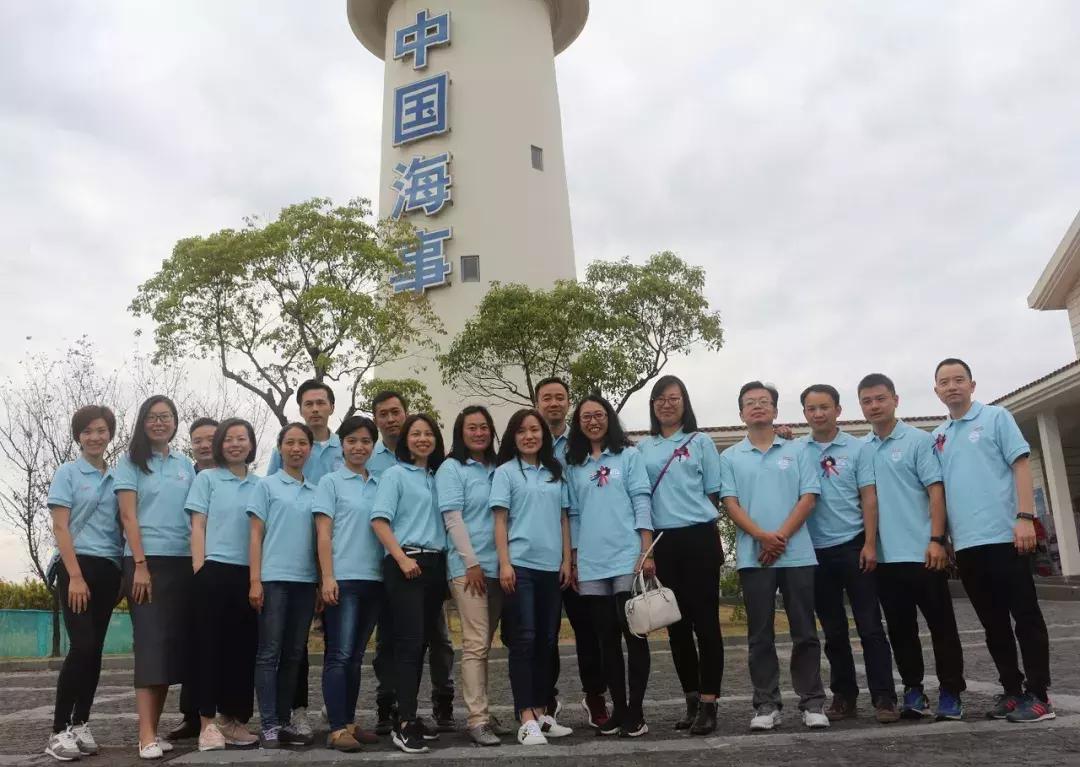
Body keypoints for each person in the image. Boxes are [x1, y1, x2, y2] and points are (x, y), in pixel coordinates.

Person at [931, 359, 1053, 723]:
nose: (952, 386)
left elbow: (1020, 464)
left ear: (971, 384)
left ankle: (1040, 694)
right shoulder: (939, 436)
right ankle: (1012, 691)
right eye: (944, 382)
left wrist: (1025, 517)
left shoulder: (996, 417)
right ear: (936, 390)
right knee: (993, 624)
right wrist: (947, 538)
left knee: (1025, 617)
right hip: (968, 545)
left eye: (958, 380)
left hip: (1007, 536)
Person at [720, 381, 828, 731]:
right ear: (741, 413)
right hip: (755, 557)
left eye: (764, 402)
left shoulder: (797, 451)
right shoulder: (730, 457)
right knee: (760, 634)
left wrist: (778, 537)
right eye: (749, 402)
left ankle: (812, 702)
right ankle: (766, 704)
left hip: (796, 554)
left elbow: (809, 497)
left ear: (775, 410)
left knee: (805, 632)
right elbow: (730, 504)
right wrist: (761, 537)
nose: (757, 407)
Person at [858, 373, 966, 720]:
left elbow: (936, 491)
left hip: (924, 554)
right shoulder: (863, 449)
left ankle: (951, 692)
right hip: (886, 559)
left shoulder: (920, 441)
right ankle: (914, 690)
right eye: (867, 401)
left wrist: (937, 540)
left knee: (942, 628)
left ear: (895, 400)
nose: (874, 406)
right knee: (901, 631)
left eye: (880, 398)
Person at [799, 385, 899, 723]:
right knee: (834, 631)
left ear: (838, 410)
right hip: (815, 552)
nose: (818, 414)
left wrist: (871, 543)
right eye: (811, 409)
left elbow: (869, 497)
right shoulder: (798, 450)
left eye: (824, 407)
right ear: (805, 414)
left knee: (870, 626)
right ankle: (844, 696)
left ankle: (884, 697)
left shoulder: (858, 449)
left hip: (855, 546)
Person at [637, 375, 724, 735]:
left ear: (684, 402)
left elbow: (713, 492)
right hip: (663, 543)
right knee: (676, 628)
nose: (666, 404)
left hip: (700, 540)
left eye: (673, 398)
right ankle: (690, 700)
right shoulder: (643, 448)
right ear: (653, 405)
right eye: (659, 399)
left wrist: (691, 516)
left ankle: (709, 703)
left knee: (706, 625)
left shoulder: (701, 442)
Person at [564, 395, 654, 738]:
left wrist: (646, 549)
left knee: (635, 636)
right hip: (591, 561)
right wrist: (572, 557)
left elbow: (641, 500)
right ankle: (619, 710)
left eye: (599, 415)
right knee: (606, 641)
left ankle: (637, 711)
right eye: (586, 416)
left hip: (627, 557)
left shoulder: (629, 456)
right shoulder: (574, 464)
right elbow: (573, 514)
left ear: (609, 419)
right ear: (579, 423)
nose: (593, 421)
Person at [369, 391, 455, 735]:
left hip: (435, 566)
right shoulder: (395, 475)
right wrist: (401, 558)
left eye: (428, 434)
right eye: (416, 434)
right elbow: (379, 520)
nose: (422, 439)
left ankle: (412, 713)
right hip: (406, 564)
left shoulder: (439, 477)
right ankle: (404, 719)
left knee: (422, 643)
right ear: (406, 440)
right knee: (407, 642)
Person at [114, 395, 196, 759]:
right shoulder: (130, 462)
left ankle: (155, 728)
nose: (159, 422)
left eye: (166, 417)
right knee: (149, 644)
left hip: (181, 563)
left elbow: (194, 517)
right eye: (152, 417)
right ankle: (145, 733)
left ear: (175, 422)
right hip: (145, 564)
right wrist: (141, 564)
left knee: (169, 648)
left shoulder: (185, 466)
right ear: (142, 422)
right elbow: (128, 517)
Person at [44, 406, 123, 762]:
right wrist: (74, 575)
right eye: (88, 431)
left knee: (95, 651)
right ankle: (58, 730)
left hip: (108, 570)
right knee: (82, 646)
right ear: (78, 436)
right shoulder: (68, 473)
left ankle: (81, 723)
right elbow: (61, 527)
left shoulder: (118, 476)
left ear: (110, 434)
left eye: (102, 430)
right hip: (76, 567)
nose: (95, 437)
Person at [491, 408, 574, 747]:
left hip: (551, 567)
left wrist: (567, 560)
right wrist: (505, 563)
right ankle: (525, 717)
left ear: (544, 435)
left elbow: (564, 520)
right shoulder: (506, 473)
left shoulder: (556, 472)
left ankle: (541, 713)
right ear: (513, 436)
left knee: (547, 641)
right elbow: (500, 521)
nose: (529, 436)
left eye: (535, 430)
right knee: (524, 640)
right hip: (520, 566)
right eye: (523, 431)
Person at [266, 380, 343, 740]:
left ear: (330, 406)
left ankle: (336, 704)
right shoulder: (281, 456)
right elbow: (269, 506)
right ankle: (295, 711)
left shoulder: (346, 447)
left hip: (341, 552)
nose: (315, 408)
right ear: (300, 408)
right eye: (308, 403)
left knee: (338, 637)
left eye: (321, 402)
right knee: (289, 644)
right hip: (293, 558)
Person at [534, 377, 610, 729]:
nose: (553, 403)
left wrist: (575, 555)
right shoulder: (527, 440)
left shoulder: (579, 445)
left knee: (589, 629)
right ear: (537, 403)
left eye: (559, 397)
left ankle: (595, 695)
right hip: (537, 552)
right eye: (546, 397)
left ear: (568, 403)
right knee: (544, 632)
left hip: (580, 551)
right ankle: (546, 698)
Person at [436, 406, 511, 746]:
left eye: (484, 427)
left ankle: (483, 709)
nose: (479, 433)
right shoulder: (452, 468)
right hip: (470, 569)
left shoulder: (499, 468)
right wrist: (471, 563)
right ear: (460, 432)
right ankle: (477, 718)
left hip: (500, 567)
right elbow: (453, 519)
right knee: (475, 644)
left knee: (484, 645)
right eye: (472, 428)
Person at [185, 419, 261, 752]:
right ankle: (207, 724)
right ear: (220, 445)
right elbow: (197, 526)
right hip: (214, 571)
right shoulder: (207, 479)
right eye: (228, 439)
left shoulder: (262, 484)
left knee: (242, 651)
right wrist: (200, 567)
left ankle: (235, 722)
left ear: (251, 444)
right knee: (209, 649)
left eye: (241, 438)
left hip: (249, 575)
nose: (234, 444)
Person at [313, 416, 385, 752]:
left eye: (366, 441)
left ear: (374, 445)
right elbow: (323, 532)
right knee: (338, 655)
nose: (359, 447)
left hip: (374, 579)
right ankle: (336, 728)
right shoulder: (330, 482)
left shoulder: (380, 483)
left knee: (356, 656)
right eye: (352, 440)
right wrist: (327, 577)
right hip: (342, 578)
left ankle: (349, 721)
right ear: (342, 445)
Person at [247, 423, 319, 749]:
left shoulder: (317, 491)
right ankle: (269, 724)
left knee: (294, 653)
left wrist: (319, 582)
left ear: (310, 449)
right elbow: (255, 535)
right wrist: (255, 580)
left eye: (302, 443)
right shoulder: (266, 486)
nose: (296, 448)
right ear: (280, 448)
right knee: (269, 653)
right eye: (289, 442)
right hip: (273, 579)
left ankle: (286, 719)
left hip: (305, 582)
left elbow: (321, 541)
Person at [168, 418, 219, 743]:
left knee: (223, 644)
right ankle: (191, 714)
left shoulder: (234, 475)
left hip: (227, 566)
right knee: (192, 643)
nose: (203, 445)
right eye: (197, 440)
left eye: (210, 438)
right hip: (188, 565)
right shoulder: (184, 476)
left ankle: (224, 714)